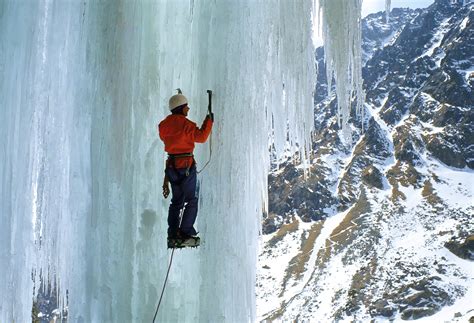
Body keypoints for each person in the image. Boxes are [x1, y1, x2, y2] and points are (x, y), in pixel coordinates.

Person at [158, 90, 213, 247]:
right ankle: (186, 232)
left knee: (176, 202)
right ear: (181, 108)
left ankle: (173, 234)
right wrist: (209, 120)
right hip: (186, 166)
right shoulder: (186, 125)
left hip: (172, 168)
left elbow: (166, 138)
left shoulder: (163, 126)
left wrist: (165, 181)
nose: (188, 109)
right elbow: (202, 136)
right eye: (186, 106)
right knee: (191, 200)